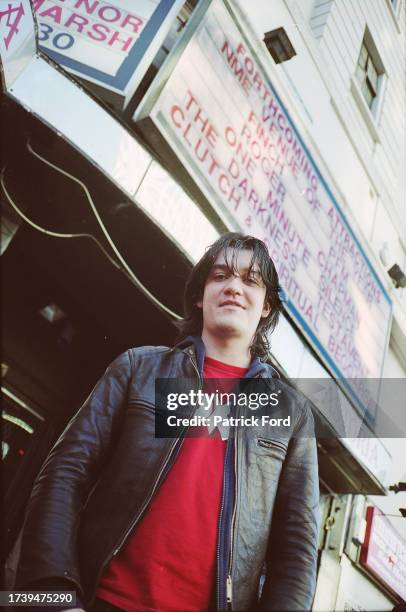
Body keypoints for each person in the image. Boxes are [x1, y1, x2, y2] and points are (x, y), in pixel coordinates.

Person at [15, 232, 320, 611]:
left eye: (250, 280)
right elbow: (65, 471)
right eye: (221, 275)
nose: (233, 287)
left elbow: (297, 547)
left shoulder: (289, 414)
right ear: (200, 295)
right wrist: (52, 594)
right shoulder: (140, 368)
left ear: (266, 307)